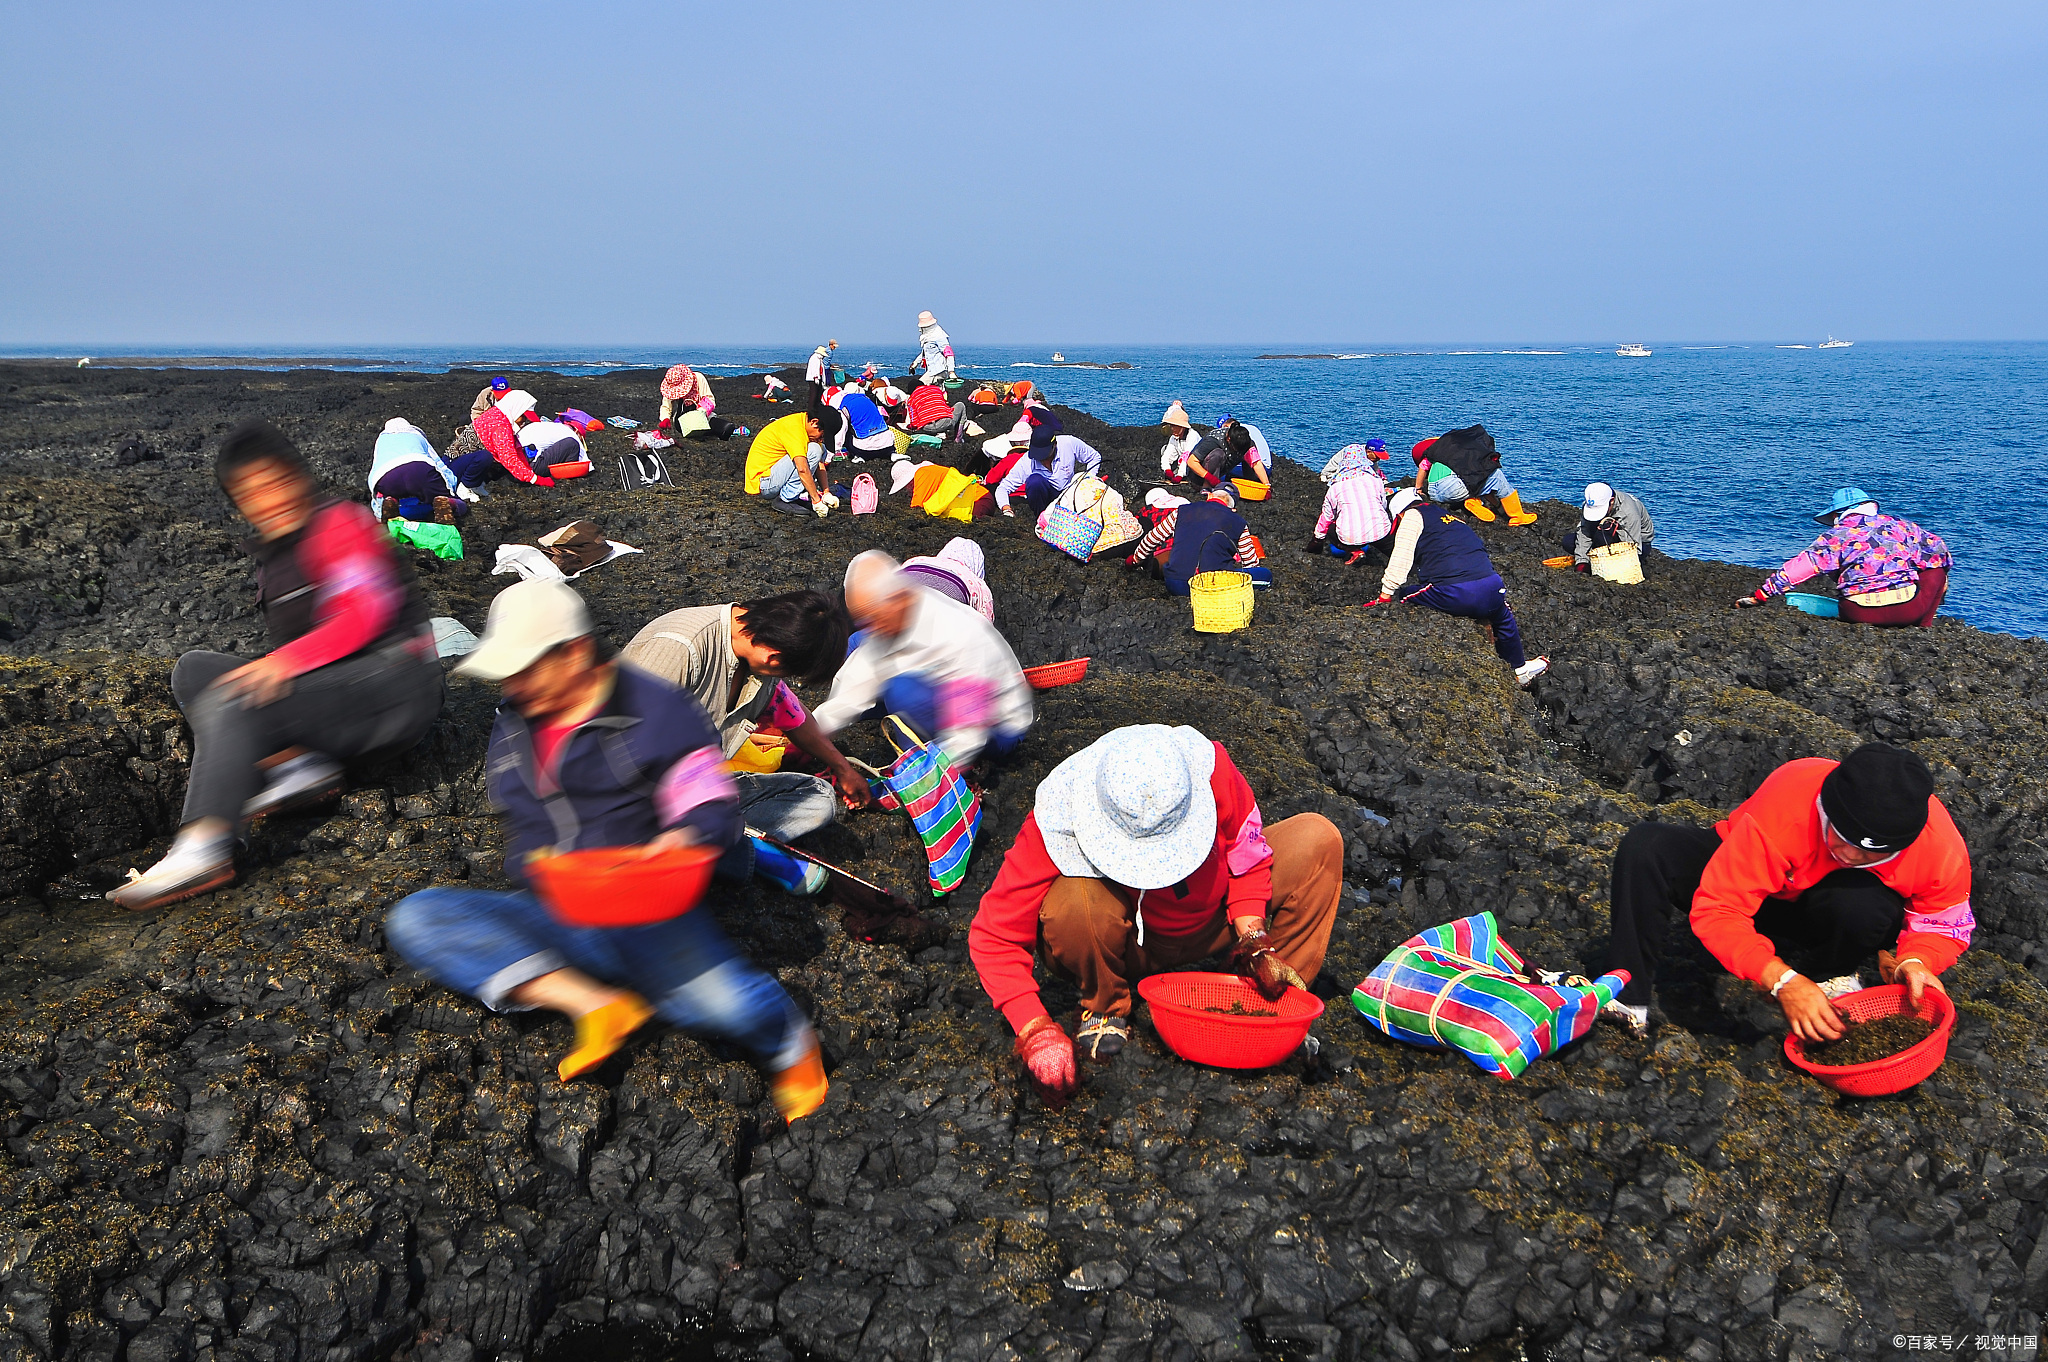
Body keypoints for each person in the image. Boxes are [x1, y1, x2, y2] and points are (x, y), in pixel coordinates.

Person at [383, 579, 828, 1119]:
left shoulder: (658, 710)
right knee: (419, 918)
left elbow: (707, 798)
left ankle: (791, 1043)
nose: (514, 684)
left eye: (524, 668)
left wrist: (677, 841)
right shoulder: (514, 721)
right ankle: (596, 1004)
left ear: (573, 653)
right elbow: (522, 825)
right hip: (563, 905)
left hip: (647, 910)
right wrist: (540, 863)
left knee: (729, 1004)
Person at [110, 421, 444, 910]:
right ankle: (298, 765)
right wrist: (280, 668)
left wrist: (282, 663)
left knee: (234, 702)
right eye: (253, 493)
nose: (271, 499)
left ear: (300, 476)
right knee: (195, 671)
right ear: (240, 503)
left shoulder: (339, 522)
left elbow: (365, 611)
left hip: (397, 683)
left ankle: (204, 844)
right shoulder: (273, 558)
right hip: (338, 697)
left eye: (278, 481)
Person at [968, 724, 1343, 1096]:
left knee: (1317, 839)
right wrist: (1035, 1030)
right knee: (1074, 900)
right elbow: (993, 935)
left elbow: (1248, 859)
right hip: (1124, 941)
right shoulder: (1061, 813)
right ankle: (1104, 1006)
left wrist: (1254, 941)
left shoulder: (1210, 772)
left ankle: (1272, 1001)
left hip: (1212, 921)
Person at [1600, 743, 1972, 1041]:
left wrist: (1917, 962)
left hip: (1824, 909)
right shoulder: (1791, 798)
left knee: (1866, 906)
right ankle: (1626, 997)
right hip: (1755, 884)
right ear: (1826, 806)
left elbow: (1943, 922)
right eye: (1840, 836)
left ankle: (1831, 977)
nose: (1848, 853)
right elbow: (1719, 908)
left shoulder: (1939, 847)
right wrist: (1781, 980)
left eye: (1871, 853)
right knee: (1646, 846)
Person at [622, 592, 870, 896]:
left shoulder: (757, 656)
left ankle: (722, 844)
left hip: (698, 794)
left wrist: (842, 768)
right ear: (774, 658)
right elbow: (617, 752)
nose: (785, 681)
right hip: (633, 799)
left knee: (817, 796)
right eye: (790, 674)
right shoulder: (680, 649)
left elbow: (793, 716)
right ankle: (729, 850)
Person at [815, 551, 1033, 769]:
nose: (872, 629)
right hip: (939, 695)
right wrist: (807, 735)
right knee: (859, 647)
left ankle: (914, 761)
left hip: (996, 727)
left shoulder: (959, 635)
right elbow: (853, 688)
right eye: (864, 621)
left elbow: (967, 736)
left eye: (875, 619)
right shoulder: (890, 619)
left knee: (901, 690)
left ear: (897, 600)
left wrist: (918, 778)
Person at [1367, 489, 1549, 686]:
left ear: (1399, 514)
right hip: (1493, 586)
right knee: (1503, 616)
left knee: (1404, 595)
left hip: (1457, 592)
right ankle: (1519, 668)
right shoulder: (1452, 519)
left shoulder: (1411, 516)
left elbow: (1400, 558)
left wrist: (1385, 595)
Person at [1736, 486, 1952, 628]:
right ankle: (1924, 627)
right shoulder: (1900, 526)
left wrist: (1760, 596)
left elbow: (1798, 569)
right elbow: (1940, 551)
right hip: (1907, 611)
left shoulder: (1834, 536)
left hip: (1857, 613)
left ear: (1839, 514)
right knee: (1936, 569)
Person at [1125, 486, 1271, 593]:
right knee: (1265, 575)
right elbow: (1251, 563)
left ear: (1209, 497)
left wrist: (1134, 560)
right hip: (1207, 586)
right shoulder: (1238, 522)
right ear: (1233, 509)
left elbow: (1152, 538)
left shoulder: (1182, 510)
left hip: (1175, 583)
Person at [1412, 425, 1536, 526]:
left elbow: (1423, 467)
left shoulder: (1434, 455)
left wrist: (1418, 488)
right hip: (1453, 488)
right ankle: (1517, 516)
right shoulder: (1462, 454)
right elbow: (1482, 479)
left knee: (1472, 481)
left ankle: (1473, 501)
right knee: (1493, 475)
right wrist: (1497, 506)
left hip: (1434, 493)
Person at [368, 418, 475, 523]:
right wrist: (450, 490)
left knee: (392, 495)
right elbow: (438, 463)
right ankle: (449, 503)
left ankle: (392, 500)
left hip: (386, 476)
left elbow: (375, 470)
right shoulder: (416, 435)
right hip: (419, 467)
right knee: (460, 506)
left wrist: (378, 512)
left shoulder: (381, 441)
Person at [994, 412, 1102, 516]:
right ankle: (1041, 519)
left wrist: (1089, 478)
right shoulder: (1027, 460)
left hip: (1069, 493)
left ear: (1054, 445)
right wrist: (1006, 509)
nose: (1041, 459)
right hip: (1045, 498)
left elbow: (1094, 457)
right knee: (1035, 481)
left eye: (1044, 455)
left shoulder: (1069, 443)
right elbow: (1003, 487)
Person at [744, 409, 837, 517]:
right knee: (814, 450)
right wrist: (816, 501)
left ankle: (793, 496)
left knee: (821, 449)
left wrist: (826, 493)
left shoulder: (803, 424)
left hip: (774, 475)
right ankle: (786, 499)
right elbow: (802, 468)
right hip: (763, 482)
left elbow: (819, 463)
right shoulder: (794, 429)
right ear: (814, 423)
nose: (821, 439)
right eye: (821, 435)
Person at [457, 389, 555, 489]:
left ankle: (476, 483)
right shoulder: (500, 426)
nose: (524, 421)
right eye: (523, 416)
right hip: (459, 465)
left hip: (465, 459)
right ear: (516, 410)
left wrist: (529, 472)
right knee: (487, 458)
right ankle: (466, 486)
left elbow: (516, 450)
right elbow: (509, 458)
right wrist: (536, 479)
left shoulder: (500, 415)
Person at [1313, 443, 1393, 562]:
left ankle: (1355, 551)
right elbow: (1383, 505)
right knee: (1391, 548)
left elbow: (1326, 517)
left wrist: (1317, 540)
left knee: (1330, 527)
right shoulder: (1376, 481)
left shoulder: (1335, 488)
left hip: (1349, 538)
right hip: (1381, 532)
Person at [902, 537, 997, 622]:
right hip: (942, 611)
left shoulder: (916, 560)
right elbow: (985, 628)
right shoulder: (977, 584)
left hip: (898, 597)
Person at [1570, 482, 1655, 572]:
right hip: (1608, 535)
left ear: (1612, 501)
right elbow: (1584, 532)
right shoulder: (1591, 503)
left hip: (1640, 543)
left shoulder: (1628, 512)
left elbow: (1633, 547)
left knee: (1602, 536)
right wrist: (1582, 563)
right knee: (1569, 542)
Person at [658, 364, 745, 440]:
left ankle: (725, 431)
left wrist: (700, 413)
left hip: (703, 415)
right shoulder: (670, 386)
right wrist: (665, 419)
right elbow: (666, 406)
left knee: (726, 428)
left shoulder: (698, 378)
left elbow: (709, 399)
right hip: (681, 419)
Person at [828, 385, 897, 457]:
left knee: (848, 432)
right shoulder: (867, 399)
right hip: (888, 444)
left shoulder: (843, 407)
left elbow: (841, 431)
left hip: (863, 450)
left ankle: (857, 456)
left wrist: (835, 450)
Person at [1216, 415, 1273, 488]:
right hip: (1268, 467)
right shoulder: (1251, 427)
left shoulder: (1238, 434)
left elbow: (1253, 457)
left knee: (1222, 464)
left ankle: (1219, 484)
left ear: (1226, 426)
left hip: (1257, 470)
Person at [1157, 402, 1201, 479]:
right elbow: (1167, 455)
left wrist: (1180, 475)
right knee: (1164, 449)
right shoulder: (1173, 438)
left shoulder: (1192, 436)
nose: (1172, 429)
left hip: (1197, 465)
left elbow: (1187, 456)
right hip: (1183, 464)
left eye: (1175, 426)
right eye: (1171, 426)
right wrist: (1167, 470)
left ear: (1182, 427)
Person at [912, 311, 957, 385]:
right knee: (936, 392)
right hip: (931, 371)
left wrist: (951, 372)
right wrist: (915, 363)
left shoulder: (939, 336)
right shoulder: (927, 338)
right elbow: (925, 353)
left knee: (918, 386)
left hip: (938, 371)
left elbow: (948, 353)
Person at [1322, 437, 1386, 482]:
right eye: (1377, 456)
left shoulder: (1369, 456)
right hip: (1331, 474)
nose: (1379, 459)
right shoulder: (1353, 453)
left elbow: (1375, 470)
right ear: (1369, 452)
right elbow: (1347, 473)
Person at [805, 339, 839, 405]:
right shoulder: (822, 354)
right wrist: (816, 377)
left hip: (825, 368)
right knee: (815, 392)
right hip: (823, 370)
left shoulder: (820, 356)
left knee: (818, 390)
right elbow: (815, 368)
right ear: (831, 345)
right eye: (834, 346)